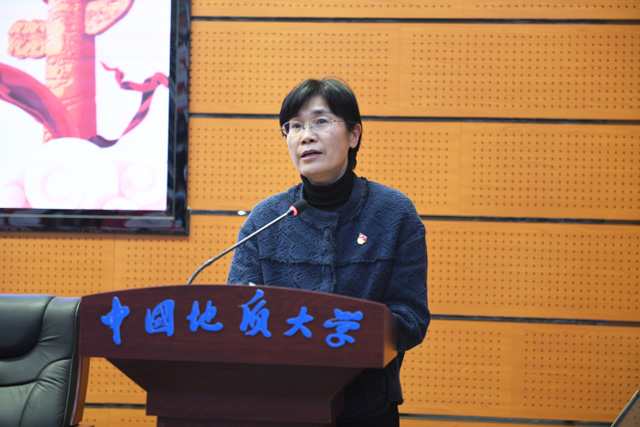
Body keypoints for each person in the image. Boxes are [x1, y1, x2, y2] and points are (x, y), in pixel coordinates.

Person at [227, 78, 430, 426]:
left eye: (320, 121)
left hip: (366, 409)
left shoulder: (394, 213)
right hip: (279, 407)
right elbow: (238, 312)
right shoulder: (266, 218)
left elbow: (411, 319)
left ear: (354, 135)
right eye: (294, 126)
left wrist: (345, 331)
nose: (305, 136)